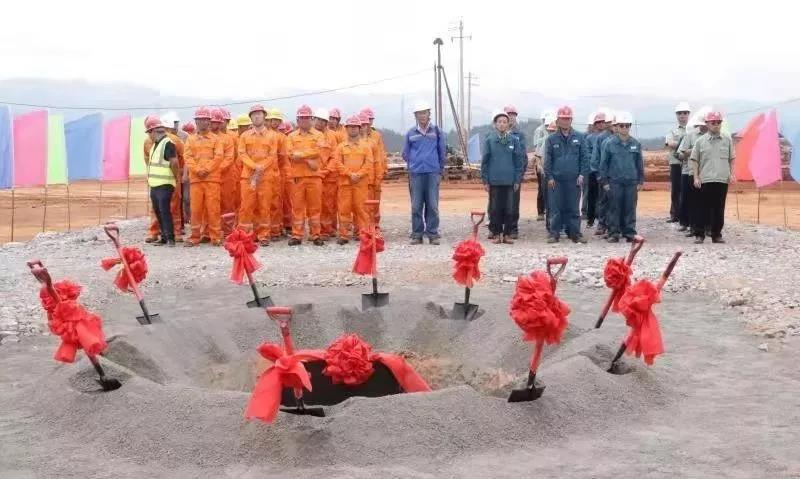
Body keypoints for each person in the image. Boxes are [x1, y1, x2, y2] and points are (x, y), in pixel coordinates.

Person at [238, 104, 287, 246]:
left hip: (266, 177)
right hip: (248, 176)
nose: (257, 116)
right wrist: (255, 166)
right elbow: (242, 154)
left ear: (264, 116)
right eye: (254, 114)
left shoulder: (272, 136)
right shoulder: (244, 136)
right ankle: (246, 235)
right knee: (246, 206)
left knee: (264, 206)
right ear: (250, 118)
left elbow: (272, 155)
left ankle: (264, 235)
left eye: (259, 114)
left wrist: (261, 167)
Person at [402, 101, 446, 245]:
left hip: (432, 173)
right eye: (419, 113)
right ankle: (417, 234)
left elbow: (442, 152)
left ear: (429, 114)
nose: (422, 116)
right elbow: (405, 153)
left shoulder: (436, 131)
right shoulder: (410, 133)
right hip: (416, 174)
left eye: (424, 113)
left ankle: (432, 234)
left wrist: (439, 170)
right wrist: (414, 164)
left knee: (432, 205)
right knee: (416, 206)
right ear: (415, 115)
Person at [286, 105, 330, 246]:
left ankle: (315, 234)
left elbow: (319, 151)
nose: (304, 121)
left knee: (315, 207)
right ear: (297, 120)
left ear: (311, 119)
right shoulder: (291, 136)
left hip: (314, 177)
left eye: (307, 118)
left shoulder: (319, 135)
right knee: (297, 208)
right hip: (297, 178)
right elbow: (290, 154)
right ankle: (297, 235)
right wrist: (308, 159)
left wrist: (301, 155)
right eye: (302, 118)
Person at [544, 106, 589, 244]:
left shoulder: (580, 137)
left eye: (568, 119)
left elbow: (584, 158)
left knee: (574, 208)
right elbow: (547, 160)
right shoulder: (551, 139)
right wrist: (549, 177)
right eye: (563, 119)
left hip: (574, 180)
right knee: (555, 208)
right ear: (558, 120)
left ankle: (575, 233)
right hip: (556, 180)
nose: (565, 121)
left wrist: (582, 174)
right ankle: (554, 233)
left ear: (571, 120)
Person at [689, 111, 735, 244]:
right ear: (707, 124)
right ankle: (699, 234)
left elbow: (732, 158)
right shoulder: (700, 141)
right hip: (705, 179)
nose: (716, 125)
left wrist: (732, 174)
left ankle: (716, 234)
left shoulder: (727, 140)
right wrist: (696, 177)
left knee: (719, 208)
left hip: (722, 179)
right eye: (713, 122)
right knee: (702, 208)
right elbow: (695, 160)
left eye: (718, 122)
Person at [481, 110, 526, 244]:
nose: (502, 124)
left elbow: (519, 161)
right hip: (494, 181)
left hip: (510, 181)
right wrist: (485, 180)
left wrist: (517, 179)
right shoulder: (490, 140)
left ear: (508, 124)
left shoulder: (514, 140)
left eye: (504, 122)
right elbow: (485, 161)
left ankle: (507, 234)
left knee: (510, 208)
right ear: (495, 124)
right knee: (495, 209)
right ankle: (496, 234)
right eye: (499, 122)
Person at [598, 111, 644, 243]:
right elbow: (603, 164)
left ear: (630, 127)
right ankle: (614, 233)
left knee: (630, 208)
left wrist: (640, 180)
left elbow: (639, 163)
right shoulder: (609, 144)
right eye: (621, 125)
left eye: (627, 125)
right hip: (615, 182)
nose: (624, 128)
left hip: (631, 182)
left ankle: (629, 232)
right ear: (617, 127)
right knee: (614, 208)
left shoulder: (636, 144)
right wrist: (605, 182)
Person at [183, 106, 224, 247]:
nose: (202, 122)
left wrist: (206, 169)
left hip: (212, 179)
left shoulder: (216, 139)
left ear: (209, 121)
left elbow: (218, 156)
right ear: (196, 122)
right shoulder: (190, 140)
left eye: (205, 119)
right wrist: (197, 170)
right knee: (196, 209)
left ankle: (215, 237)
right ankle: (195, 236)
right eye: (199, 119)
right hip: (196, 180)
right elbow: (187, 157)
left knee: (213, 209)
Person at [331, 115, 374, 244]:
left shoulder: (366, 147)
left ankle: (362, 234)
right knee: (344, 209)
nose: (353, 129)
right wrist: (350, 174)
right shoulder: (340, 147)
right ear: (346, 128)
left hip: (360, 184)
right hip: (345, 183)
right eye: (350, 127)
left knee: (361, 210)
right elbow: (337, 163)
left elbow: (369, 163)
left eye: (355, 127)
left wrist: (359, 175)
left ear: (359, 129)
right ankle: (344, 235)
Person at [144, 114, 185, 243]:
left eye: (149, 132)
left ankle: (171, 237)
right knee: (158, 210)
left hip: (166, 183)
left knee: (167, 210)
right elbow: (149, 161)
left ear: (153, 131)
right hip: (155, 183)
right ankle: (162, 236)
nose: (149, 135)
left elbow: (175, 161)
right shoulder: (153, 144)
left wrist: (177, 176)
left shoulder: (169, 142)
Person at [677, 110, 709, 235]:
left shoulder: (713, 137)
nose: (705, 126)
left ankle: (707, 227)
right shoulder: (690, 136)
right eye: (703, 124)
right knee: (692, 201)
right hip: (691, 172)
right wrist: (690, 152)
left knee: (707, 201)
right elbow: (680, 154)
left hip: (707, 173)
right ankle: (693, 227)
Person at [314, 108, 340, 239]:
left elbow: (335, 156)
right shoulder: (310, 135)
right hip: (313, 175)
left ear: (326, 122)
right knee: (314, 205)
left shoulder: (332, 136)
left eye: (322, 120)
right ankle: (315, 231)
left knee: (328, 204)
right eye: (318, 119)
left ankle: (326, 230)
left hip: (328, 177)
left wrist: (326, 170)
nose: (319, 122)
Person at [502, 105, 528, 239]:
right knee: (497, 202)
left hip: (513, 175)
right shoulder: (495, 134)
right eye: (509, 115)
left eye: (513, 115)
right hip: (499, 175)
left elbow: (522, 156)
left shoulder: (519, 135)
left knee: (513, 203)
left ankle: (513, 229)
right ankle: (497, 228)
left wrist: (520, 174)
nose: (511, 117)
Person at [360, 108, 387, 227]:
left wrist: (382, 170)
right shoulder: (354, 138)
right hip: (361, 176)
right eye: (364, 122)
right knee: (361, 203)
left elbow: (381, 154)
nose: (368, 123)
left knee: (374, 202)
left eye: (370, 119)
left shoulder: (376, 136)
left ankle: (375, 225)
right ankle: (362, 226)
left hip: (374, 174)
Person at [591, 110, 616, 236]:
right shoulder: (601, 138)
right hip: (604, 174)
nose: (611, 124)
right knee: (603, 200)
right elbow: (596, 157)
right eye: (609, 122)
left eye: (613, 122)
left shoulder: (620, 136)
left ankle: (615, 225)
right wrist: (598, 174)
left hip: (617, 175)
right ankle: (602, 224)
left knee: (615, 201)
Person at [666, 102, 691, 223]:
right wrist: (684, 143)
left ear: (688, 114)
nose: (682, 115)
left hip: (689, 164)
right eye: (680, 113)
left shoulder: (693, 129)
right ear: (677, 115)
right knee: (676, 190)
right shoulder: (672, 130)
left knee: (688, 190)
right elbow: (669, 143)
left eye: (685, 113)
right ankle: (675, 215)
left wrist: (680, 144)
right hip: (676, 163)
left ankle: (687, 215)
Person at [266, 108, 289, 240]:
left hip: (276, 173)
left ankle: (275, 229)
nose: (274, 122)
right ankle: (264, 229)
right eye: (272, 120)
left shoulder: (282, 137)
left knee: (276, 202)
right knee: (264, 202)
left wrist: (276, 169)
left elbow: (282, 156)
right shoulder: (264, 134)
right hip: (264, 172)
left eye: (277, 120)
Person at [583, 111, 607, 228]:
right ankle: (590, 219)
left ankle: (603, 219)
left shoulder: (609, 138)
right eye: (599, 122)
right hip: (593, 170)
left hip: (606, 171)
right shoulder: (589, 138)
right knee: (592, 195)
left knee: (605, 196)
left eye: (603, 122)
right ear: (595, 124)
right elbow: (587, 153)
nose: (601, 124)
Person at [531, 109, 552, 222]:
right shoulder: (539, 130)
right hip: (540, 162)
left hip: (551, 165)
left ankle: (551, 211)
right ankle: (540, 212)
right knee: (542, 188)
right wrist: (538, 163)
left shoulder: (556, 132)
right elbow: (536, 146)